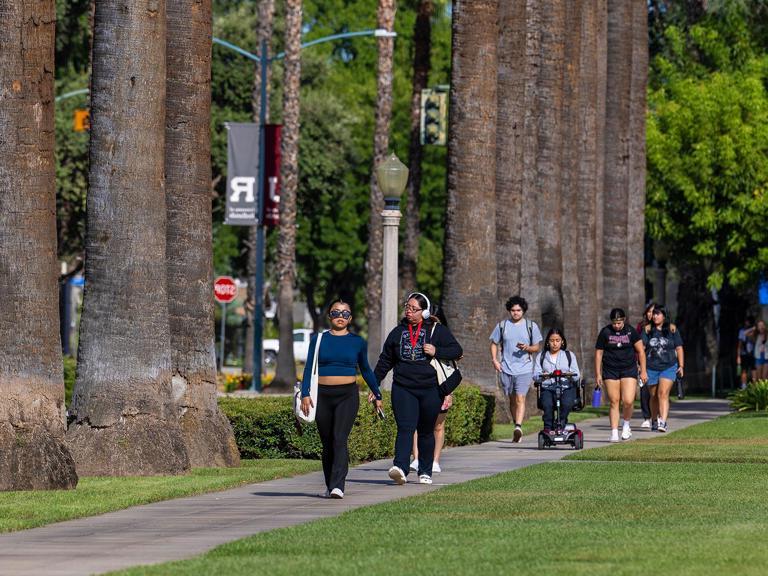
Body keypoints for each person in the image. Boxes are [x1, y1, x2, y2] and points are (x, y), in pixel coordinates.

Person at [375, 292, 463, 486]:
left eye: (414, 309)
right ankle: (400, 467)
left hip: (430, 390)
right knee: (405, 427)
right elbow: (385, 361)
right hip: (403, 388)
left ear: (425, 312)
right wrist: (375, 386)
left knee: (425, 431)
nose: (409, 312)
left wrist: (436, 351)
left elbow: (457, 351)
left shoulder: (437, 331)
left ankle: (425, 470)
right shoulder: (397, 332)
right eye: (407, 307)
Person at [300, 299, 382, 499]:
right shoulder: (318, 340)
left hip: (347, 395)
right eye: (336, 312)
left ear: (350, 318)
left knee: (339, 438)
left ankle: (338, 485)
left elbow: (366, 369)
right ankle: (330, 484)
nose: (340, 317)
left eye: (345, 314)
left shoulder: (357, 342)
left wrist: (377, 393)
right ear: (329, 316)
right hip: (322, 396)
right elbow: (309, 367)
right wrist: (305, 393)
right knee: (327, 442)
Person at [489, 296, 543, 442]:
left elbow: (537, 347)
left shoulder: (531, 326)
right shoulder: (502, 326)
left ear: (523, 310)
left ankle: (518, 426)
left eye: (518, 310)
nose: (515, 313)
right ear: (509, 311)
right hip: (506, 368)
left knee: (520, 398)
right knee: (512, 399)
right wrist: (495, 360)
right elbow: (494, 343)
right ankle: (516, 426)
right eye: (513, 310)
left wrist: (527, 348)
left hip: (524, 369)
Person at [595, 308, 647, 442]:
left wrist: (643, 371)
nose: (616, 326)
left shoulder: (631, 331)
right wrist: (598, 374)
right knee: (614, 401)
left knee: (628, 400)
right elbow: (599, 353)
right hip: (610, 369)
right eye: (614, 323)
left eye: (619, 322)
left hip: (628, 369)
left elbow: (641, 351)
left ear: (624, 320)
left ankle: (626, 425)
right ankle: (613, 432)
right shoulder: (605, 332)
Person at [411, 310, 452, 474]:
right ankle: (417, 458)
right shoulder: (414, 338)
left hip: (440, 386)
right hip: (419, 386)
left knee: (438, 425)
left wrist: (448, 392)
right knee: (416, 424)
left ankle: (435, 461)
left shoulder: (445, 341)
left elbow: (451, 368)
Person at [641, 305, 683, 433]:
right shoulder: (647, 330)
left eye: (658, 314)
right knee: (653, 396)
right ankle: (654, 419)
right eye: (653, 314)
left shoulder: (672, 329)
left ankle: (663, 422)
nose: (654, 316)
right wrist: (641, 367)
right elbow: (641, 349)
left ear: (664, 315)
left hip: (669, 366)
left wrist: (681, 365)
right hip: (651, 367)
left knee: (663, 393)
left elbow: (679, 348)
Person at [533, 328, 581, 432]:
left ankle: (561, 422)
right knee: (547, 404)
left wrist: (569, 375)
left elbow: (577, 375)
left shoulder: (569, 355)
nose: (555, 343)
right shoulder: (541, 356)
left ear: (562, 341)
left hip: (566, 387)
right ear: (547, 342)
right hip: (548, 388)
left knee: (567, 403)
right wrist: (542, 376)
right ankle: (547, 427)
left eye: (557, 340)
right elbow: (535, 375)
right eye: (552, 340)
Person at [636, 302, 656, 428]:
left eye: (653, 312)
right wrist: (638, 363)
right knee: (645, 392)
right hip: (645, 364)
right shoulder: (641, 327)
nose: (651, 314)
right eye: (649, 311)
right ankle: (646, 417)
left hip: (660, 364)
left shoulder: (663, 327)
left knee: (657, 392)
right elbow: (638, 347)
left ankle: (658, 416)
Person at [736, 316, 756, 389]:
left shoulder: (754, 331)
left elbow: (754, 341)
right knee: (744, 370)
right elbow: (740, 343)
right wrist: (738, 356)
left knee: (753, 370)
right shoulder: (742, 331)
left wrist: (752, 333)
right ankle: (744, 386)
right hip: (744, 353)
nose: (747, 323)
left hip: (752, 353)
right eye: (746, 321)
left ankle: (754, 386)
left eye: (749, 322)